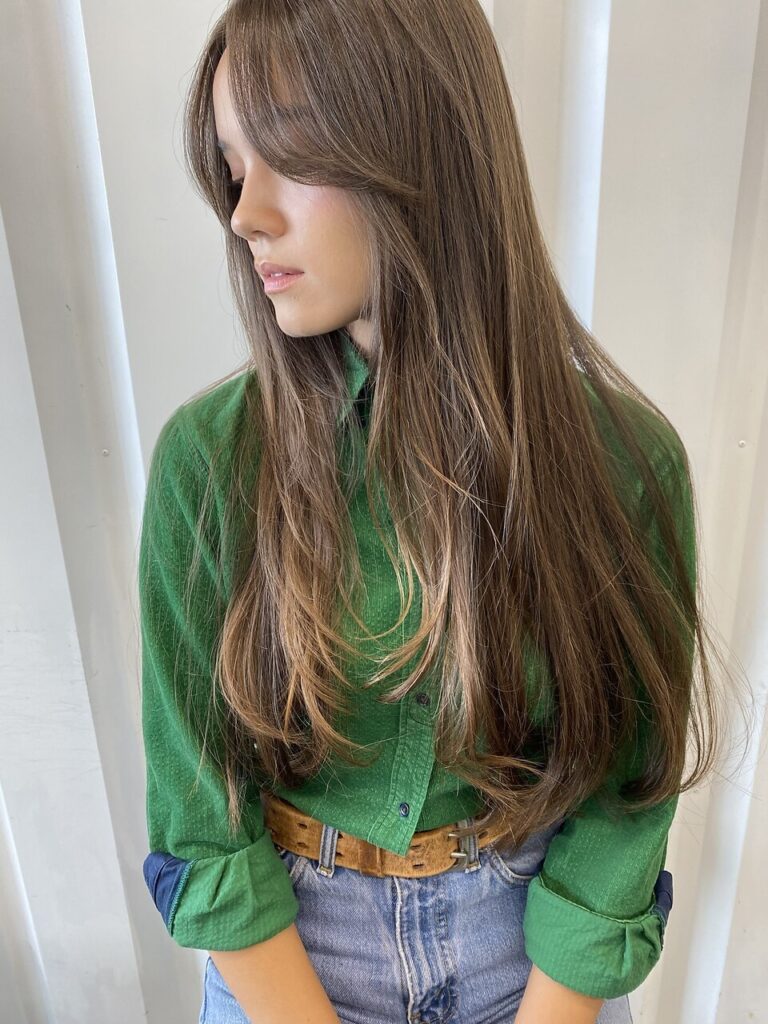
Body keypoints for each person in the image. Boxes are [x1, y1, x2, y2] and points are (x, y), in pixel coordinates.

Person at [138, 1, 731, 1021]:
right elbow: (202, 815)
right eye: (235, 168)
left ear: (425, 143)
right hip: (292, 953)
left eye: (292, 153)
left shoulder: (626, 468)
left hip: (531, 958)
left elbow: (622, 806)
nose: (245, 214)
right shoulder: (212, 463)